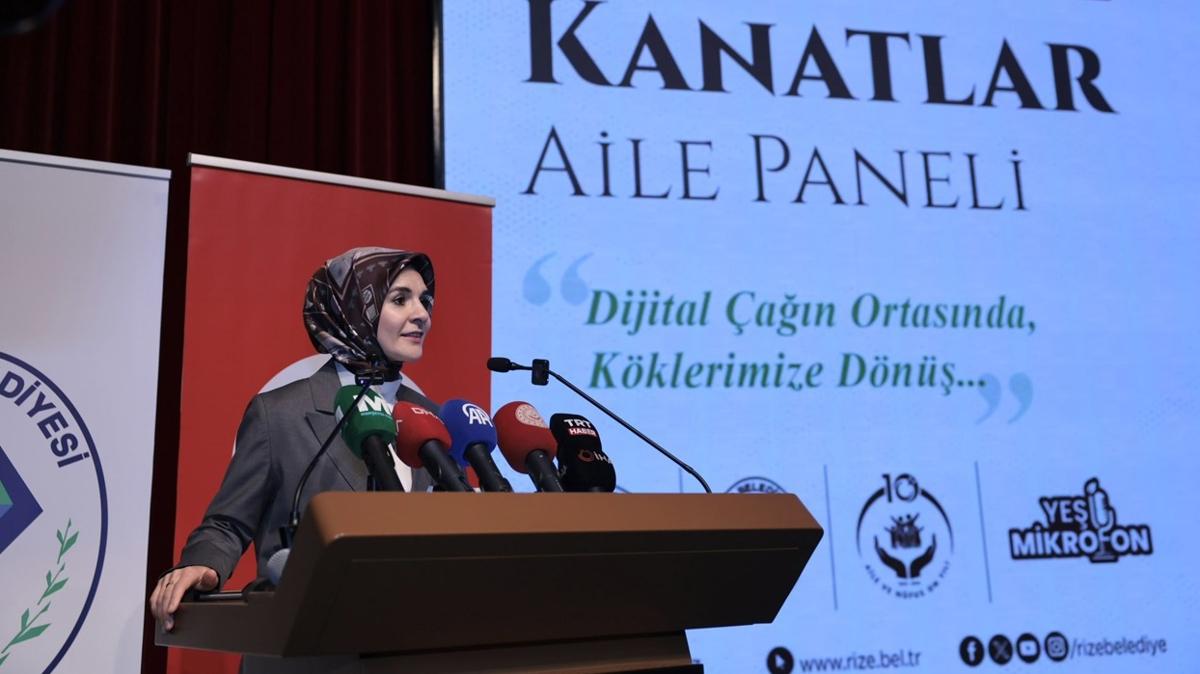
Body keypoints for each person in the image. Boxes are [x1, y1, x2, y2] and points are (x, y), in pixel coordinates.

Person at [149, 247, 439, 632]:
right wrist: (201, 564)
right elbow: (228, 522)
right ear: (353, 309)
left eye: (425, 301)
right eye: (400, 299)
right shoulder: (280, 414)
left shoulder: (429, 417)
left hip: (410, 639)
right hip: (304, 639)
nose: (422, 314)